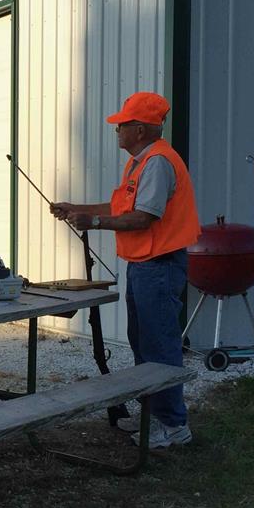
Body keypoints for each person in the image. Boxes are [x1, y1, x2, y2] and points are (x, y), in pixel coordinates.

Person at [50, 92, 199, 448]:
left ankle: (173, 426)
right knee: (144, 345)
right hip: (146, 265)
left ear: (141, 129)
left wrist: (95, 221)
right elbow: (122, 205)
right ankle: (155, 420)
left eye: (123, 124)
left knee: (160, 348)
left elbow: (143, 217)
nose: (117, 129)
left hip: (158, 267)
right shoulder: (141, 162)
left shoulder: (159, 162)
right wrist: (78, 208)